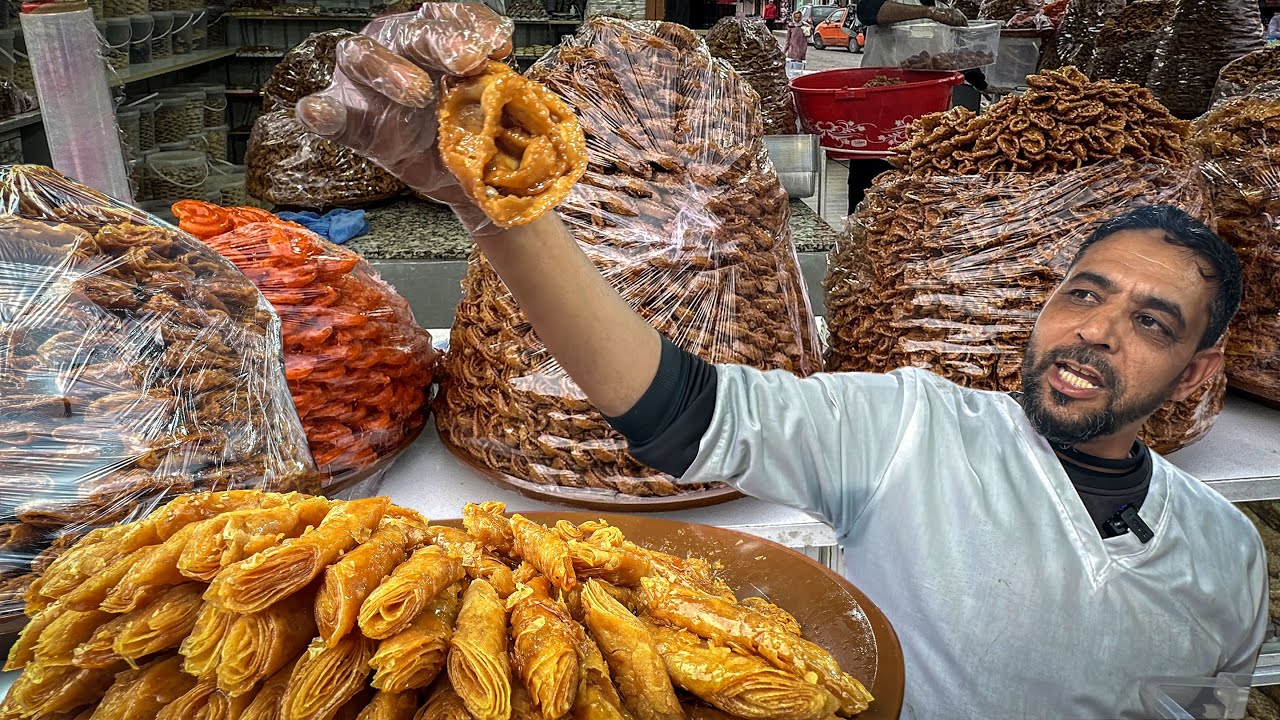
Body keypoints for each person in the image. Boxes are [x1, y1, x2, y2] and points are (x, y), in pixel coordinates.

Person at [298, 5, 1268, 718]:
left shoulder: (1226, 562)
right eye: (1083, 294)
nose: (1094, 333)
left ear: (1196, 372)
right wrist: (496, 214)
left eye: (1150, 321)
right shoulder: (905, 430)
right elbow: (668, 404)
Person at [845, 0, 969, 216]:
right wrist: (929, 13)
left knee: (916, 209)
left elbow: (949, 59)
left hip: (927, 128)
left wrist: (983, 79)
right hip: (881, 120)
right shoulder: (917, 6)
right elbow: (868, 11)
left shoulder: (945, 7)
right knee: (869, 203)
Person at [785, 9, 807, 74]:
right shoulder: (791, 26)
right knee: (791, 72)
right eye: (796, 17)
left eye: (799, 17)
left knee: (800, 72)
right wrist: (784, 52)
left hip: (801, 52)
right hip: (792, 52)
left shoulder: (804, 26)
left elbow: (809, 35)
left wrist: (808, 28)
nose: (797, 19)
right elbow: (787, 40)